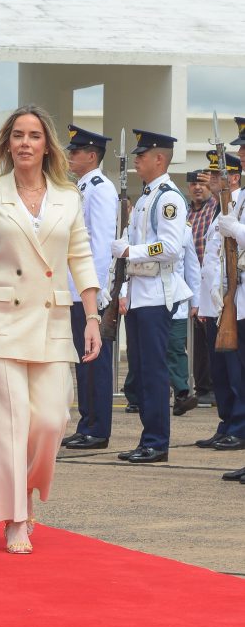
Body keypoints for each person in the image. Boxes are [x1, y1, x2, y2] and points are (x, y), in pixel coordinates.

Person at [0, 105, 101, 555]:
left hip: (52, 319)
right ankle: (15, 515)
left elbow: (81, 257)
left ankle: (27, 487)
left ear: (46, 145)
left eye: (34, 135)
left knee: (51, 419)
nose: (25, 143)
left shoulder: (68, 196)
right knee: (10, 420)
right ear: (7, 144)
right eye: (17, 135)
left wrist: (93, 316)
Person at [114, 129, 191, 465]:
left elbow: (171, 247)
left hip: (158, 295)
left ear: (159, 159)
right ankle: (149, 438)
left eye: (141, 155)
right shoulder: (146, 197)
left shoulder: (168, 198)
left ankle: (158, 442)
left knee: (155, 373)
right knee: (142, 371)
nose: (136, 160)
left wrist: (133, 250)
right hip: (140, 293)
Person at [61, 124, 118, 451]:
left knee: (94, 359)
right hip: (76, 289)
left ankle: (98, 427)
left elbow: (99, 246)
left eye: (76, 151)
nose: (70, 155)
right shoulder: (81, 187)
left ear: (92, 155)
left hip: (88, 293)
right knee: (84, 361)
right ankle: (88, 423)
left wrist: (92, 295)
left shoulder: (100, 188)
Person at [197, 149, 245, 466]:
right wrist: (204, 304)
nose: (213, 179)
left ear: (234, 177)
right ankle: (227, 422)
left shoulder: (239, 203)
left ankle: (239, 427)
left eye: (219, 174)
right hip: (217, 302)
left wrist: (236, 229)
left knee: (236, 370)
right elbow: (210, 262)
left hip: (235, 299)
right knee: (220, 371)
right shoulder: (219, 207)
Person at [186, 169, 219, 404]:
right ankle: (203, 386)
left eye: (202, 184)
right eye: (193, 184)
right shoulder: (187, 213)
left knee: (214, 338)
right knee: (197, 341)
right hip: (192, 282)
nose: (198, 188)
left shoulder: (213, 210)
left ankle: (213, 387)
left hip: (212, 282)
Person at [168, 223, 201, 415]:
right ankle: (136, 395)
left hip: (177, 302)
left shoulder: (185, 230)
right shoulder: (144, 226)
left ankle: (182, 394)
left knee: (175, 348)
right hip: (148, 300)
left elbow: (192, 266)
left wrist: (195, 302)